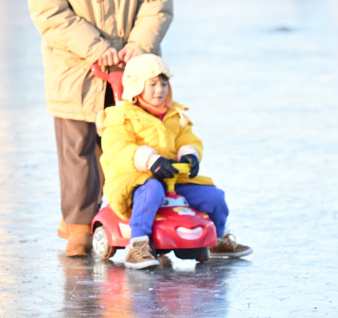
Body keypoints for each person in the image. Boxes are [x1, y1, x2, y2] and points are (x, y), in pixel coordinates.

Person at [27, 0, 173, 257]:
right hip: (75, 67)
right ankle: (77, 226)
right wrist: (96, 47)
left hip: (132, 68)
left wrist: (137, 46)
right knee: (78, 152)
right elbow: (47, 8)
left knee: (131, 145)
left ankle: (133, 219)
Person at [97, 54, 252, 269]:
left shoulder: (173, 116)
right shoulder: (119, 118)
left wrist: (189, 154)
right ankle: (138, 244)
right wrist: (150, 160)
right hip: (135, 178)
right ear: (136, 87)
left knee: (214, 196)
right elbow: (118, 148)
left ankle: (217, 238)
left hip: (173, 177)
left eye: (163, 83)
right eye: (152, 84)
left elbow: (189, 139)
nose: (159, 90)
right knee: (152, 191)